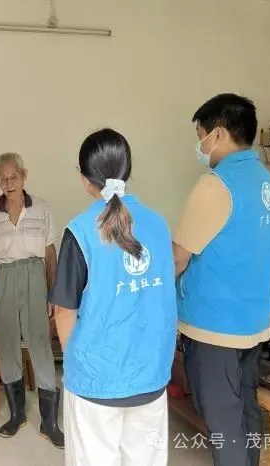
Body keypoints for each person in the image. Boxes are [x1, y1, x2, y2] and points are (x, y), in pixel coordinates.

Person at [50, 128, 177, 466]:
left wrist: (80, 363)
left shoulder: (80, 230)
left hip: (95, 382)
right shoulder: (159, 225)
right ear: (127, 170)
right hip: (150, 373)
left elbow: (64, 312)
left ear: (83, 178)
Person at [174, 94, 270, 466]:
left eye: (201, 136)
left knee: (223, 420)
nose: (200, 145)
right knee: (246, 409)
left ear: (218, 134)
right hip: (253, 324)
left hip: (214, 328)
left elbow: (178, 257)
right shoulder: (268, 183)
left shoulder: (214, 185)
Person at [0, 152, 64, 448]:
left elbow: (50, 253)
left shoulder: (42, 208)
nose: (8, 183)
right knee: (7, 344)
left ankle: (50, 424)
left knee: (40, 343)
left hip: (34, 275)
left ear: (24, 175)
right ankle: (17, 415)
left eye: (14, 177)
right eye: (3, 178)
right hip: (1, 276)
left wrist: (54, 293)